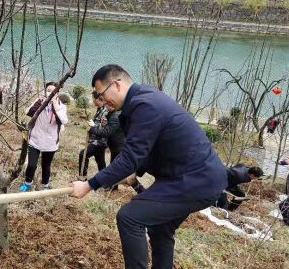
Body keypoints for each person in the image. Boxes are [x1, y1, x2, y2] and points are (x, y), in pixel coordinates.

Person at [69, 64, 227, 269]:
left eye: (101, 93)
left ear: (116, 84)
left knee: (129, 217)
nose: (101, 100)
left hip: (195, 179)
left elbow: (130, 156)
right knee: (160, 229)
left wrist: (90, 184)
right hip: (191, 177)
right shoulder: (141, 100)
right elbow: (147, 148)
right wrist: (134, 171)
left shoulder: (145, 105)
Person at [19, 81, 68, 192]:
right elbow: (28, 111)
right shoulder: (40, 101)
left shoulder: (61, 106)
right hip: (35, 139)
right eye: (48, 90)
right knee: (31, 165)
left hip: (50, 142)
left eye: (53, 91)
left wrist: (55, 105)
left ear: (57, 93)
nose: (50, 93)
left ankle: (45, 185)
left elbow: (64, 120)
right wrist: (40, 103)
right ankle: (27, 183)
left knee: (46, 166)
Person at [78, 91, 109, 178]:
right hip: (96, 141)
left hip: (99, 142)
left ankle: (82, 177)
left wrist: (93, 126)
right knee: (100, 161)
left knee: (83, 154)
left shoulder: (105, 111)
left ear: (98, 99)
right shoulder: (99, 109)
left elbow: (104, 129)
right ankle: (105, 181)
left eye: (93, 98)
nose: (92, 100)